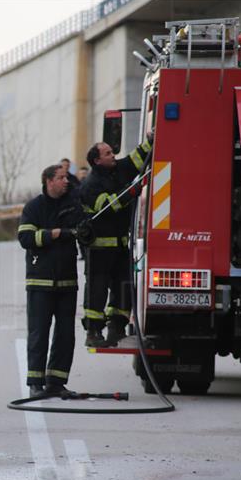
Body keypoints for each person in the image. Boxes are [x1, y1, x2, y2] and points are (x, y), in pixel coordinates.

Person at [18, 165, 84, 398]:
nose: (66, 181)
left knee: (66, 336)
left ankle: (56, 382)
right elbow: (25, 238)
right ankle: (35, 383)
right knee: (39, 334)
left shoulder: (73, 205)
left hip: (67, 282)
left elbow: (84, 230)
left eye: (67, 177)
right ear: (48, 181)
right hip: (41, 283)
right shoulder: (34, 207)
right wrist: (54, 234)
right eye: (61, 177)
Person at [80, 137, 152, 347]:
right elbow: (109, 206)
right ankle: (93, 333)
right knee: (97, 291)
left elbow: (136, 160)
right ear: (97, 161)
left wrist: (150, 141)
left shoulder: (118, 169)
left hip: (120, 247)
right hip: (99, 250)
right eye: (108, 154)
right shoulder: (90, 185)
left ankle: (116, 328)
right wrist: (131, 191)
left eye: (112, 152)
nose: (114, 156)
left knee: (124, 287)